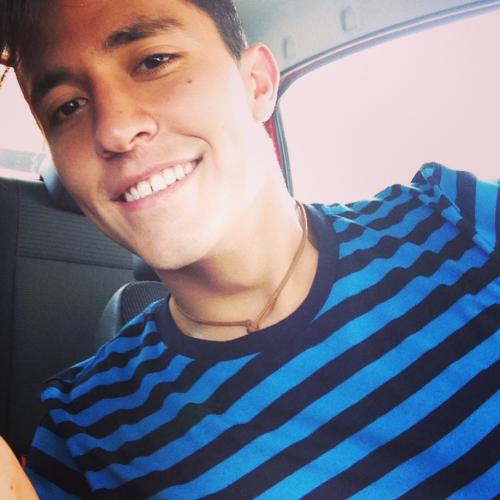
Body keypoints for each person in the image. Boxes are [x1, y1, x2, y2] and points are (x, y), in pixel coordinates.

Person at [1, 0, 499, 498]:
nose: (114, 130)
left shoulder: (456, 215)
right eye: (67, 107)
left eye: (153, 62)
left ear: (257, 84)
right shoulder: (85, 431)